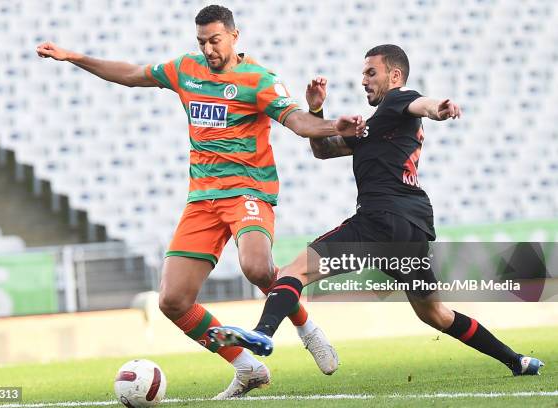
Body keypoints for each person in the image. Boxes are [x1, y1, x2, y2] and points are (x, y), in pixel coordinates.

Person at [36, 4, 366, 399]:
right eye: (202, 42)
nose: (208, 49)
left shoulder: (258, 79)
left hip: (248, 190)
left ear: (233, 36)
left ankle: (307, 329)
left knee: (258, 268)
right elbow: (131, 74)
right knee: (172, 301)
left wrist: (332, 124)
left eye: (215, 40)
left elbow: (297, 122)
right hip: (203, 200)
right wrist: (75, 57)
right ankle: (246, 367)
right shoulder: (185, 70)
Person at [208, 44, 545, 377]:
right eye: (362, 74)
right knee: (435, 314)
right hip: (409, 230)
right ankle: (517, 361)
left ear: (394, 75)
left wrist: (438, 107)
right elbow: (323, 151)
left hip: (380, 220)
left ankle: (263, 333)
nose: (364, 80)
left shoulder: (398, 100)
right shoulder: (376, 125)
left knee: (294, 272)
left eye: (371, 72)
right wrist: (317, 110)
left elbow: (420, 104)